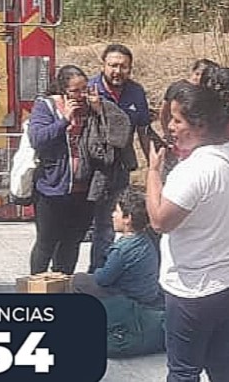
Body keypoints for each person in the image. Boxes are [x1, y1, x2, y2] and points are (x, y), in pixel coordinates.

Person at [147, 81, 229, 382]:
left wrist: (152, 173)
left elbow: (160, 221)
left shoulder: (194, 171)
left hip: (196, 290)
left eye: (176, 120)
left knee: (184, 370)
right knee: (222, 361)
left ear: (199, 125)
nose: (170, 127)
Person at [86, 43, 150, 272]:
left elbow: (143, 130)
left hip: (119, 168)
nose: (117, 71)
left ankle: (100, 274)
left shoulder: (136, 92)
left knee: (108, 223)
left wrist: (152, 166)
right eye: (113, 65)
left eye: (124, 67)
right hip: (89, 169)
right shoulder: (89, 89)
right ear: (103, 65)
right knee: (79, 227)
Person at [28, 65, 96, 275]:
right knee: (46, 242)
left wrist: (100, 110)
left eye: (85, 89)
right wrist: (64, 120)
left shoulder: (93, 107)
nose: (81, 95)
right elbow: (37, 139)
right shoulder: (46, 106)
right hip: (53, 187)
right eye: (76, 91)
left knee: (71, 242)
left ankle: (62, 285)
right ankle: (37, 288)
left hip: (83, 189)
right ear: (63, 89)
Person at [71, 187, 162, 308]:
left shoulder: (122, 250)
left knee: (79, 280)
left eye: (116, 211)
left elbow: (103, 279)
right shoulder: (147, 239)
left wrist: (96, 272)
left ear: (127, 218)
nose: (113, 215)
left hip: (130, 299)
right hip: (147, 294)